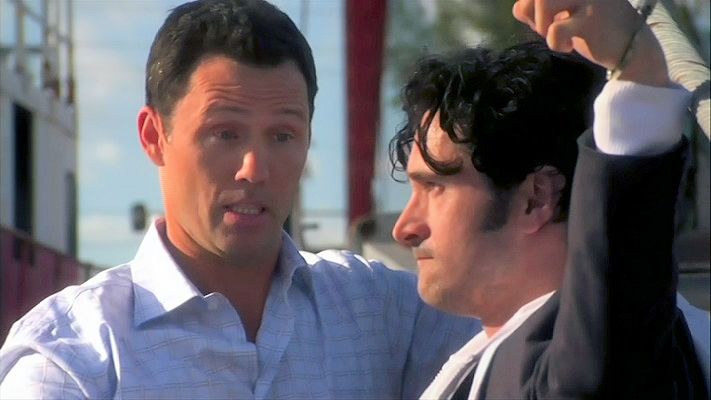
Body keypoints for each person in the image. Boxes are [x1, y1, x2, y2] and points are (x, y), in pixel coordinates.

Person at [0, 0, 479, 398]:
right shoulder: (75, 362)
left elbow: (521, 338)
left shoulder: (382, 314)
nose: (254, 168)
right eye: (225, 133)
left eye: (283, 135)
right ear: (154, 136)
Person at [389, 0, 709, 398]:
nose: (404, 228)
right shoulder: (487, 356)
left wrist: (637, 80)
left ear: (536, 198)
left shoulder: (601, 359)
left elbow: (597, 370)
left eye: (435, 187)